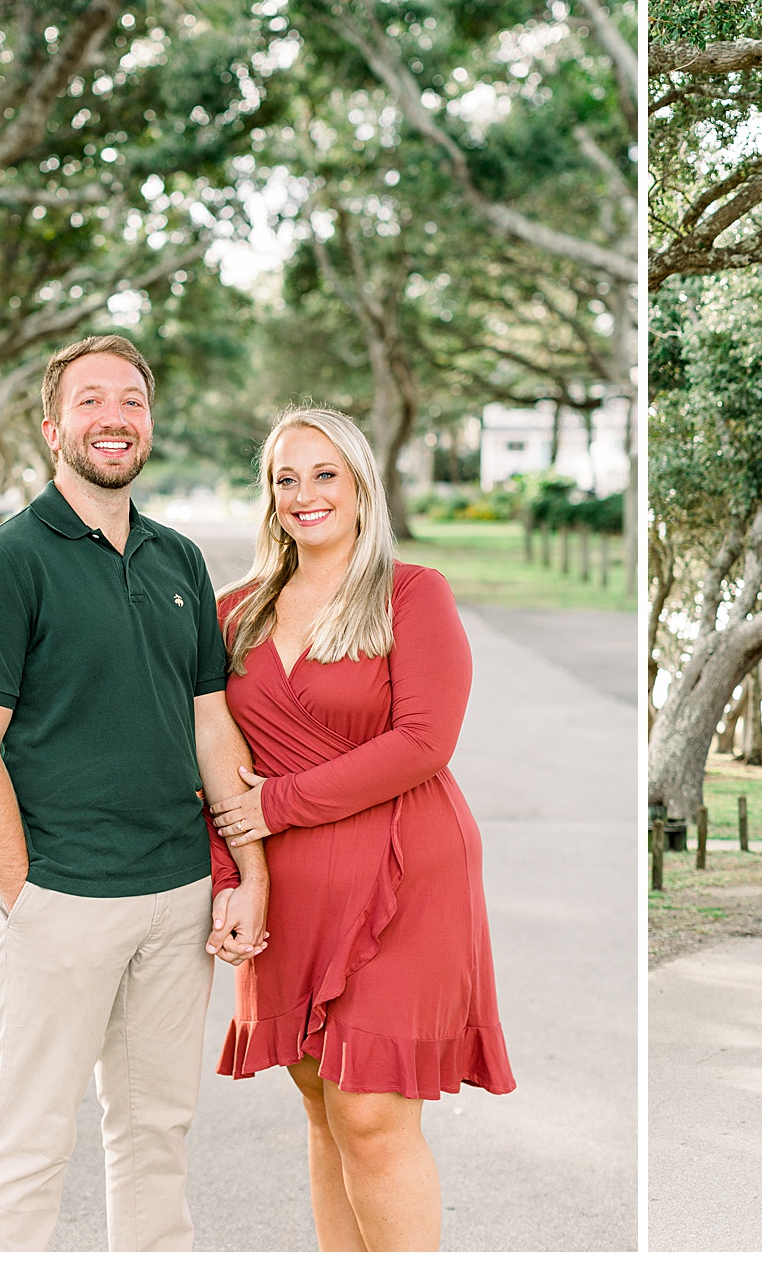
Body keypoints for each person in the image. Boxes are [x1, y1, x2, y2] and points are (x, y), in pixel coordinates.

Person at [0, 335, 269, 1251]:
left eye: (130, 400)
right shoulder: (6, 563)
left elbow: (211, 725)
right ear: (54, 428)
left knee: (156, 1131)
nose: (113, 418)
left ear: (149, 423)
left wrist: (250, 869)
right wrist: (25, 898)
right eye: (90, 401)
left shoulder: (178, 561)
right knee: (31, 1137)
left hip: (175, 899)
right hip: (59, 899)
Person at [205, 406, 515, 1251]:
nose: (305, 494)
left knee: (371, 1112)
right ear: (269, 497)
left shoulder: (411, 593)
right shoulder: (233, 612)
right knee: (320, 1105)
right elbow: (207, 754)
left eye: (324, 474)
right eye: (285, 478)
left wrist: (274, 805)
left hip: (406, 869)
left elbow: (424, 742)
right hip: (292, 884)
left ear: (361, 484)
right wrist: (232, 874)